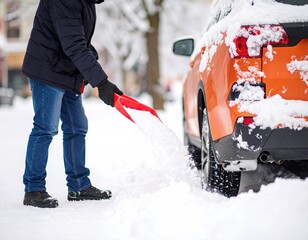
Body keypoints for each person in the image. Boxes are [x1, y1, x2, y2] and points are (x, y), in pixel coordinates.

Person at [22, 0, 123, 208]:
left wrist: (95, 71)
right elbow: (74, 44)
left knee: (77, 126)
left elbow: (78, 39)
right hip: (47, 69)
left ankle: (78, 185)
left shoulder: (85, 2)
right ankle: (33, 189)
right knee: (45, 128)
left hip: (66, 71)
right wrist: (101, 82)